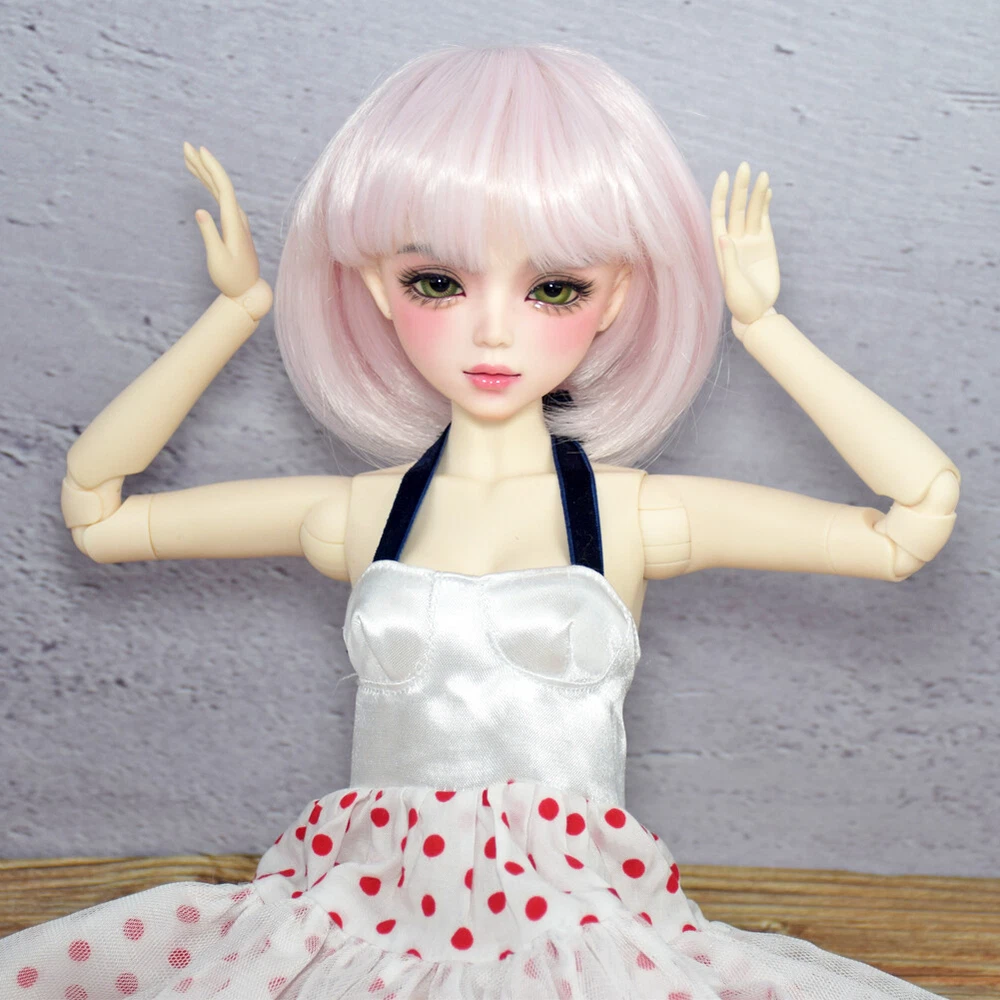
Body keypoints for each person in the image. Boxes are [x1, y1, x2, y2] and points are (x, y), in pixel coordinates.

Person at [1, 45, 959, 1000]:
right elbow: (99, 510)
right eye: (438, 283)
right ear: (376, 286)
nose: (493, 329)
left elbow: (910, 520)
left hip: (579, 936)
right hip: (362, 921)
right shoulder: (363, 512)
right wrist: (236, 311)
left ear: (616, 298)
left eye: (554, 288)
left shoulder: (632, 514)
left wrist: (762, 328)